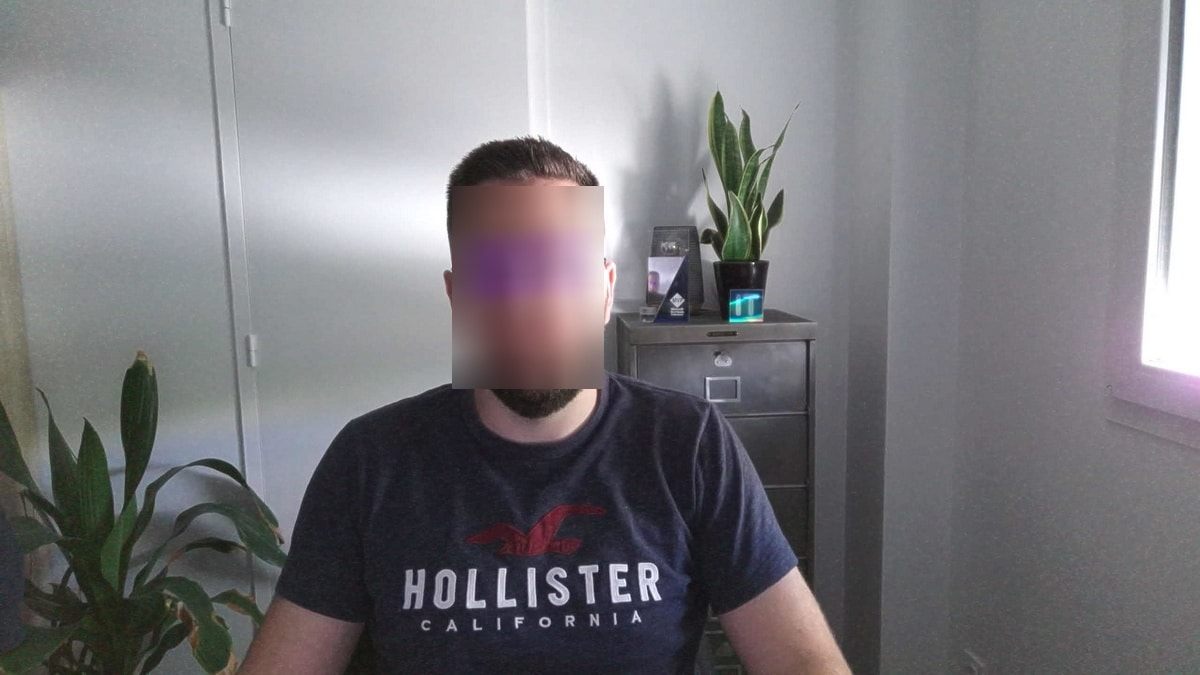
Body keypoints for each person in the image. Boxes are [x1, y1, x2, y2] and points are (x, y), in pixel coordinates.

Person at [238, 137, 849, 674]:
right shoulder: (370, 460)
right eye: (494, 273)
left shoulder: (689, 443)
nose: (530, 303)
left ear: (604, 290)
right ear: (457, 296)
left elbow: (801, 660)